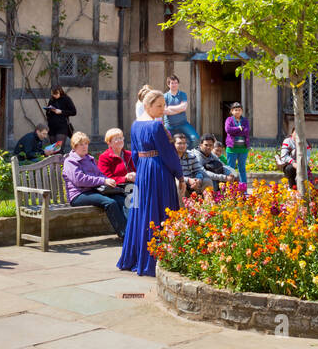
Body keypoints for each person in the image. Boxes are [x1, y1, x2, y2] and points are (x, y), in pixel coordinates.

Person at [117, 89, 183, 276]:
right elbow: (169, 154)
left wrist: (142, 172)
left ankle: (136, 257)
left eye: (164, 105)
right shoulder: (156, 127)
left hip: (143, 172)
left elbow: (136, 154)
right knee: (160, 212)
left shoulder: (135, 125)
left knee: (141, 211)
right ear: (147, 106)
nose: (163, 109)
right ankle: (157, 258)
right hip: (158, 171)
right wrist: (180, 175)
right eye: (159, 105)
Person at [63, 132, 128, 239]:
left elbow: (99, 174)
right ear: (75, 146)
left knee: (121, 199)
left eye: (86, 143)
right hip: (78, 195)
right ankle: (124, 235)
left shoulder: (89, 158)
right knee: (110, 202)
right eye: (81, 144)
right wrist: (103, 181)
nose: (84, 146)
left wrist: (108, 180)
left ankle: (132, 232)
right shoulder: (70, 161)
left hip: (93, 191)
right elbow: (80, 180)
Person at [163, 74, 200, 149]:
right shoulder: (164, 96)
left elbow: (184, 107)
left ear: (178, 84)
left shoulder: (182, 94)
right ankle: (174, 157)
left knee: (195, 139)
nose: (174, 85)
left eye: (176, 83)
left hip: (183, 123)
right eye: (172, 83)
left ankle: (185, 154)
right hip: (169, 125)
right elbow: (165, 111)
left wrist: (170, 108)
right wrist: (179, 109)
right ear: (168, 84)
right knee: (166, 143)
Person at [174, 132, 211, 197]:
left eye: (184, 143)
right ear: (173, 144)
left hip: (192, 183)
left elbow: (199, 170)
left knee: (207, 181)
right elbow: (173, 176)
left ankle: (208, 205)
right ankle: (181, 207)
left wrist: (198, 180)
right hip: (179, 182)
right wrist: (188, 180)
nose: (182, 145)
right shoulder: (170, 157)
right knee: (178, 184)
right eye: (179, 143)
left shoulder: (191, 155)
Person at [223, 101, 250, 185]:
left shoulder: (245, 120)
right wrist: (239, 128)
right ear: (231, 111)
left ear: (242, 111)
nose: (237, 111)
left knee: (242, 168)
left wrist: (235, 130)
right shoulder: (229, 120)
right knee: (231, 168)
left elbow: (246, 131)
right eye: (235, 110)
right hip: (232, 148)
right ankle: (230, 188)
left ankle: (243, 188)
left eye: (239, 110)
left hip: (243, 148)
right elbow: (228, 130)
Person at [44, 86, 76, 155]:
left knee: (58, 149)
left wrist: (61, 112)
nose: (55, 96)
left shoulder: (66, 99)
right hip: (52, 127)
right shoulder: (52, 100)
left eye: (56, 94)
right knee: (53, 151)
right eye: (53, 94)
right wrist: (49, 111)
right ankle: (55, 165)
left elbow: (74, 112)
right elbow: (47, 114)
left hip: (62, 127)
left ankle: (62, 164)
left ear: (60, 92)